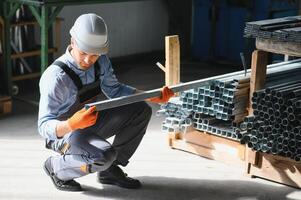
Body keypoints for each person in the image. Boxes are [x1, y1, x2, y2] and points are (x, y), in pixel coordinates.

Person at [38, 13, 174, 192]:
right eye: (84, 53)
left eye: (94, 55)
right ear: (73, 42)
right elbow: (44, 127)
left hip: (89, 120)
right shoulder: (56, 77)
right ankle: (56, 168)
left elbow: (115, 90)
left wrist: (150, 95)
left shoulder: (100, 61)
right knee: (103, 155)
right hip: (64, 132)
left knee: (140, 109)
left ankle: (109, 171)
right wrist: (71, 123)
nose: (88, 60)